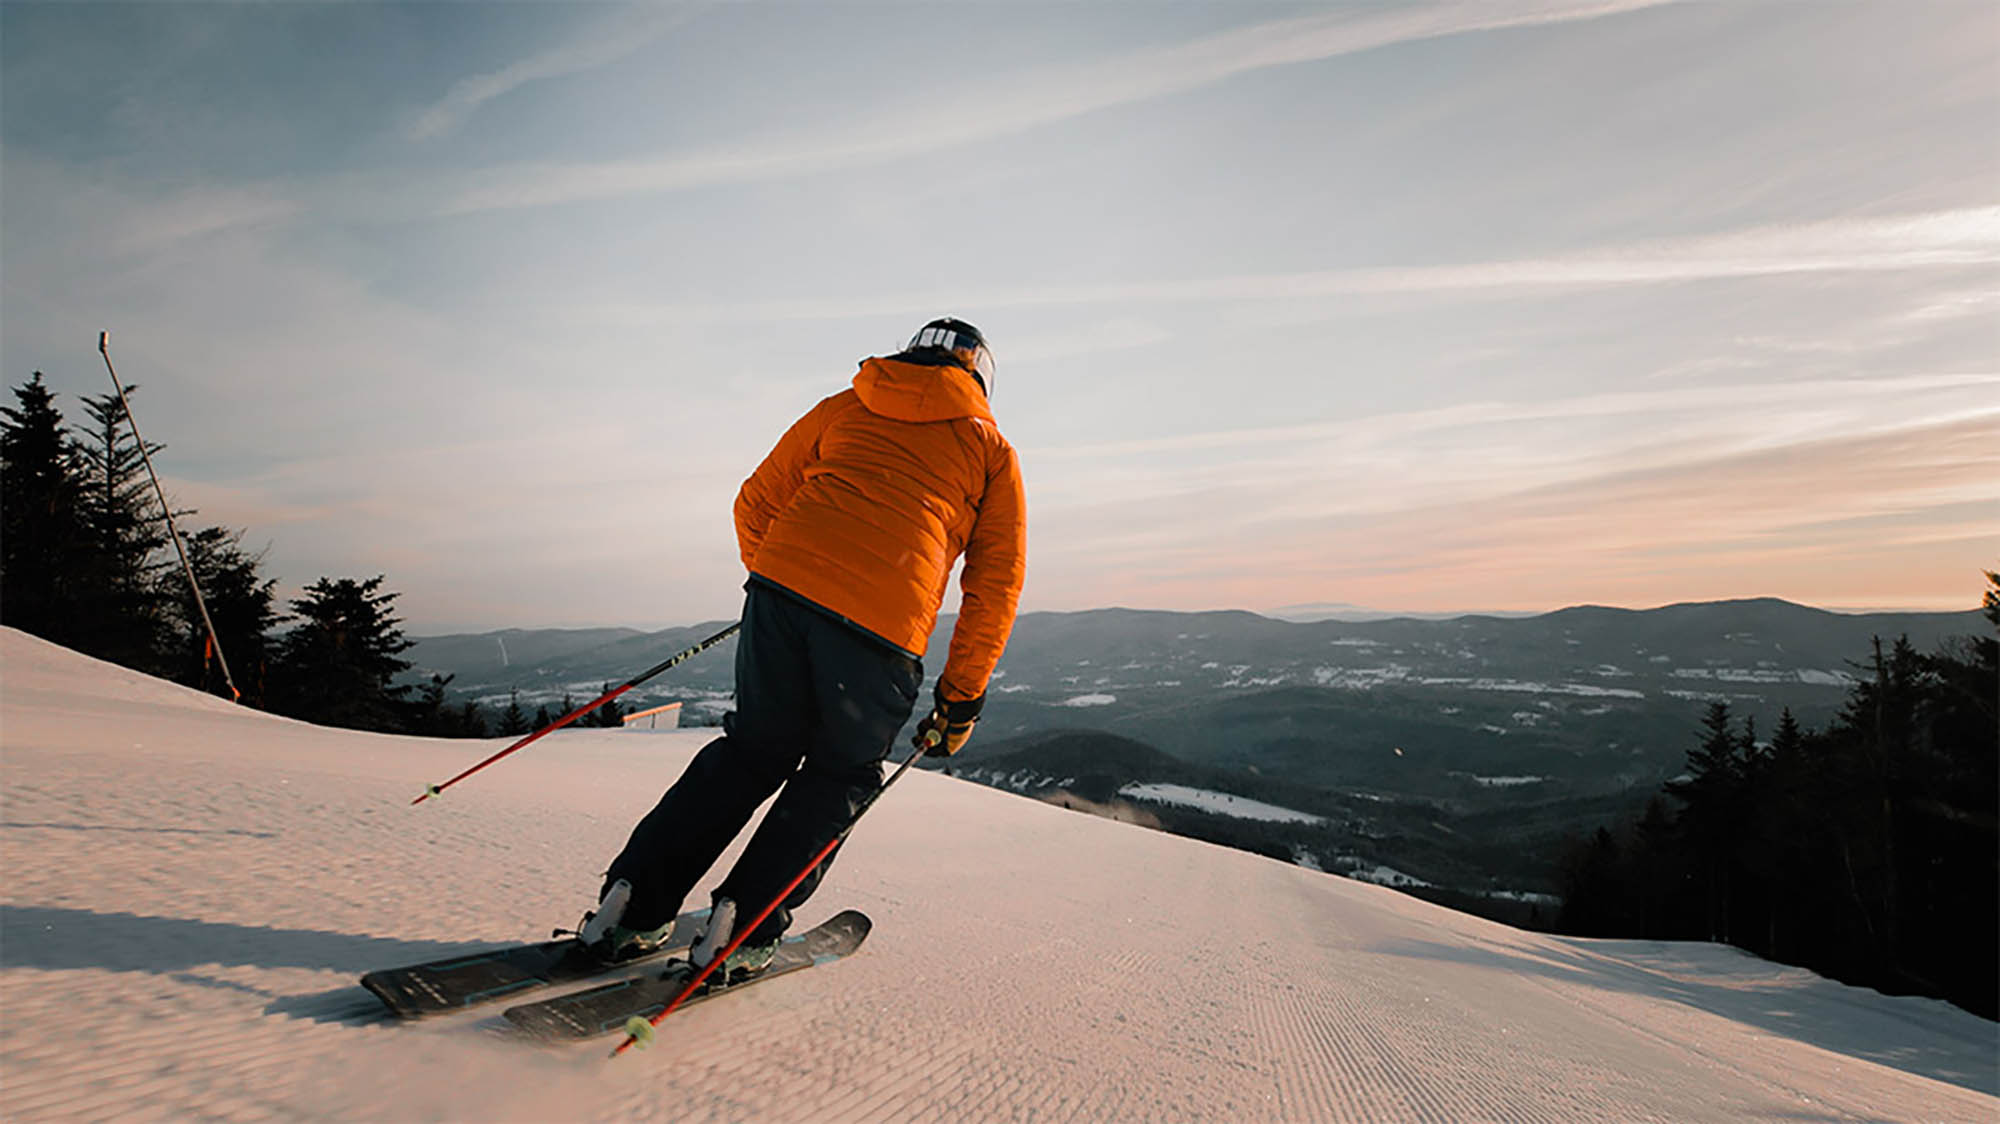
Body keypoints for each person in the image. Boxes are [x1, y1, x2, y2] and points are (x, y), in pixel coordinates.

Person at [577, 317, 1027, 976]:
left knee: (750, 753)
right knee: (840, 775)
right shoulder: (991, 451)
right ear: (981, 377)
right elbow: (995, 587)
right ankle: (743, 926)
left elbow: (754, 502)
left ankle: (630, 903)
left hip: (781, 594)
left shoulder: (844, 405)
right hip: (881, 627)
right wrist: (960, 699)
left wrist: (781, 587)